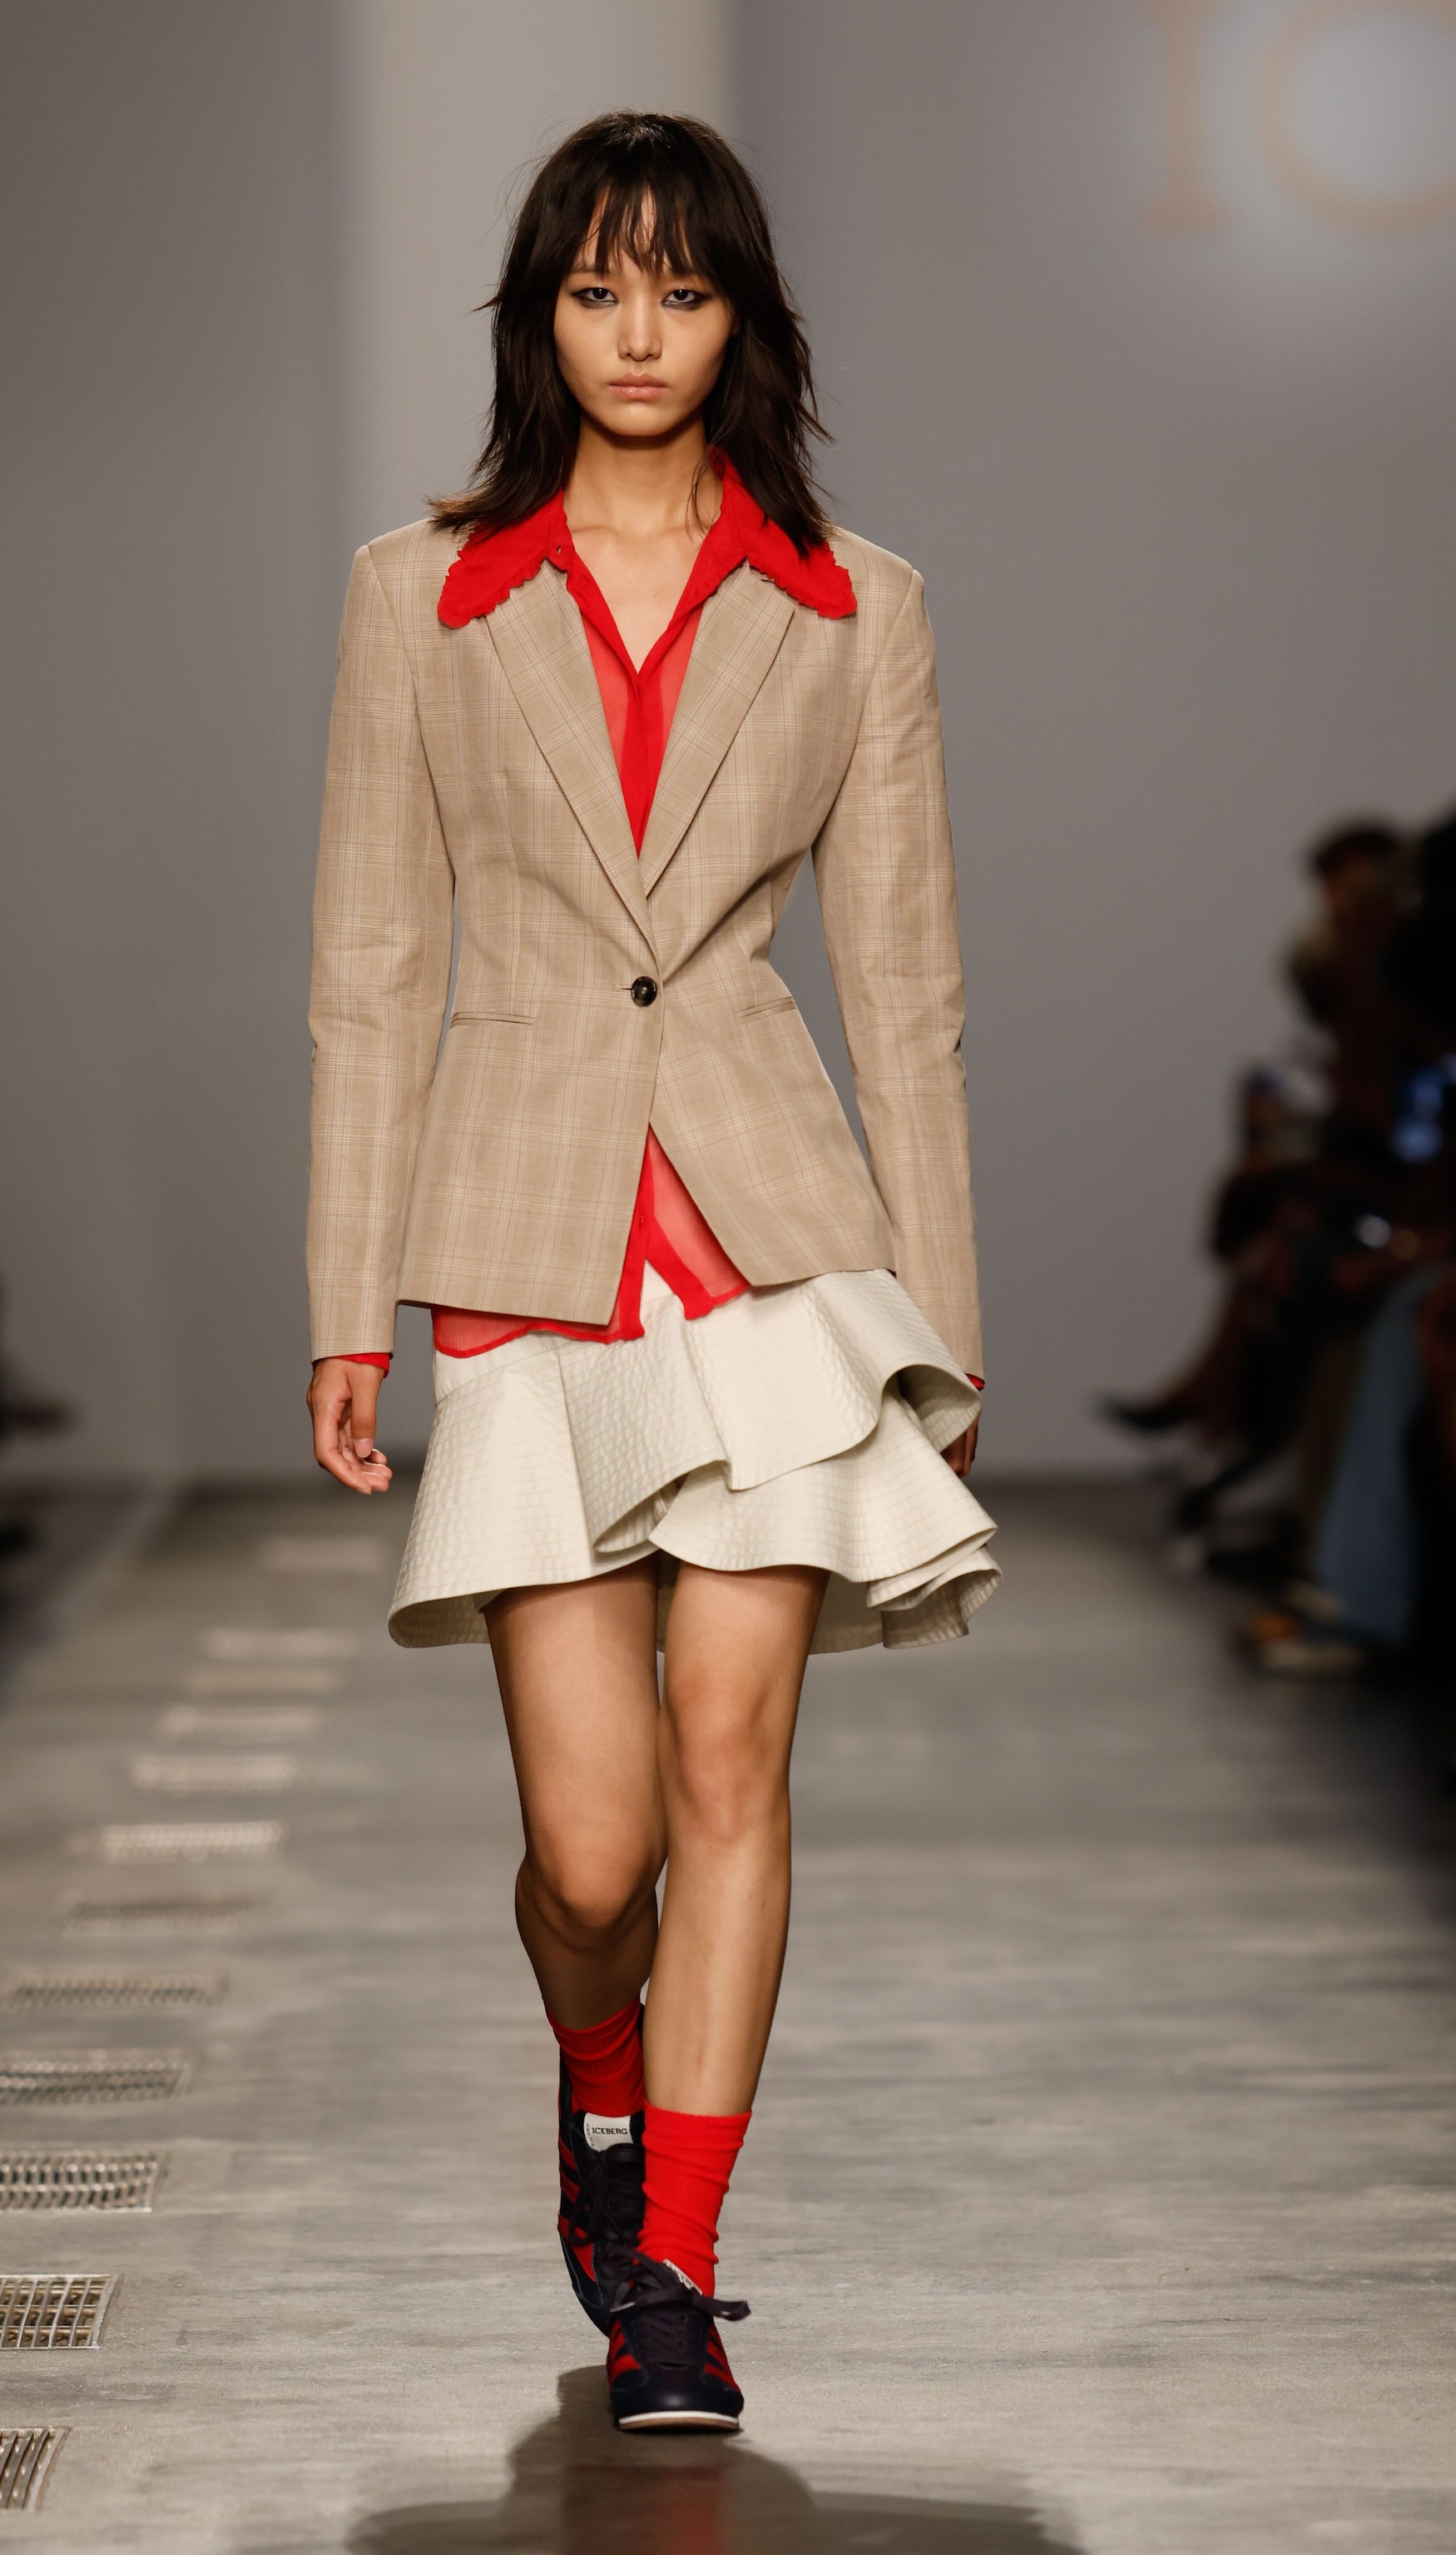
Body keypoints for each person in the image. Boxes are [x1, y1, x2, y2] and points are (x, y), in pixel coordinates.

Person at [305, 113, 996, 2432]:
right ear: (539, 315)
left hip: (775, 1250)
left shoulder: (853, 603)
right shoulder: (421, 594)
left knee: (732, 1757)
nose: (637, 334)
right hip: (524, 1237)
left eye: (681, 293)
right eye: (597, 290)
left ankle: (675, 2272)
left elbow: (906, 987)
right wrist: (347, 1302)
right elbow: (370, 971)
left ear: (741, 322)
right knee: (592, 1858)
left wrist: (946, 1322)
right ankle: (597, 2096)